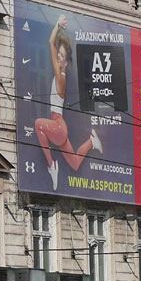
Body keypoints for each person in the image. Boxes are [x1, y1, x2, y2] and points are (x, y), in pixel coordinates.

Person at [33, 14, 101, 191]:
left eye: (62, 56)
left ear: (67, 62)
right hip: (60, 128)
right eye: (59, 55)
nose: (59, 58)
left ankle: (51, 166)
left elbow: (50, 43)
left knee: (38, 125)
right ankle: (91, 142)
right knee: (75, 164)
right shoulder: (61, 76)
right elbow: (53, 46)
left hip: (58, 126)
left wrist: (57, 25)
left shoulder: (60, 78)